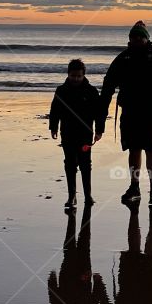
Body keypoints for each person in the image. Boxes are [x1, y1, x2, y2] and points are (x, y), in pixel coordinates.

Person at [100, 20, 152, 207]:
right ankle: (134, 186)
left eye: (140, 36)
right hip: (130, 110)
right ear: (130, 38)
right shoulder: (123, 58)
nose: (137, 39)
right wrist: (102, 111)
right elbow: (108, 85)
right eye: (133, 36)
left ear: (146, 38)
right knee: (134, 148)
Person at [49, 57, 104, 211]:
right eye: (73, 76)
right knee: (70, 163)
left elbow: (99, 113)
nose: (76, 79)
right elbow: (55, 110)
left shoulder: (91, 91)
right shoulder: (61, 90)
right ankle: (71, 195)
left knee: (86, 164)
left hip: (86, 134)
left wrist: (99, 130)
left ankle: (88, 195)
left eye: (79, 76)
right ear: (68, 74)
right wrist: (53, 127)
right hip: (67, 133)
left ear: (84, 75)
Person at [47, 205, 98, 304]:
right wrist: (52, 279)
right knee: (72, 245)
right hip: (71, 274)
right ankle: (74, 216)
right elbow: (53, 294)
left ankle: (79, 215)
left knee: (83, 243)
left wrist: (97, 281)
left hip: (80, 275)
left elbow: (95, 297)